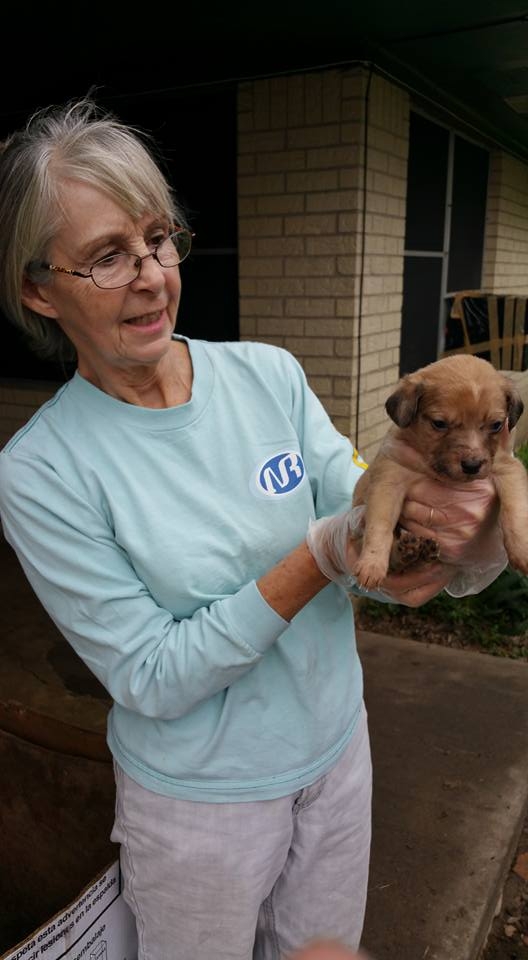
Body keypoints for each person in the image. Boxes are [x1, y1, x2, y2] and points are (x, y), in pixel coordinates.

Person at [0, 98, 505, 960]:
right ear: (38, 292)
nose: (153, 275)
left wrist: (464, 539)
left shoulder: (268, 374)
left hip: (339, 752)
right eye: (107, 258)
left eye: (158, 239)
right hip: (201, 809)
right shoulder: (44, 471)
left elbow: (363, 507)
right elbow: (152, 677)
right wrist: (315, 556)